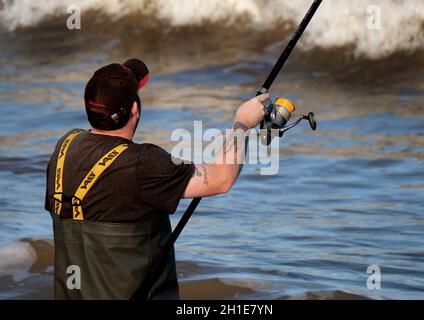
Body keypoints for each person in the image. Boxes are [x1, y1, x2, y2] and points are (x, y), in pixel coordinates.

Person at [45, 58, 267, 300]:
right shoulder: (143, 162)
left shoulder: (65, 147)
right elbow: (221, 179)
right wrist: (242, 124)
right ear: (134, 110)